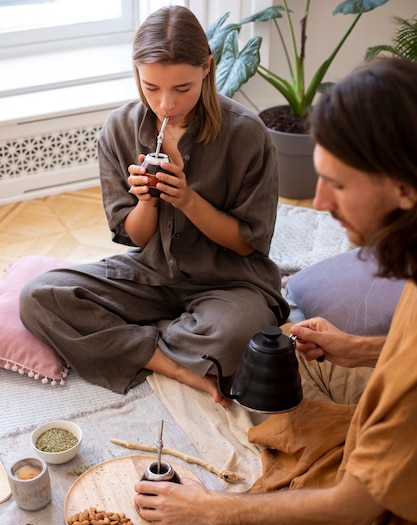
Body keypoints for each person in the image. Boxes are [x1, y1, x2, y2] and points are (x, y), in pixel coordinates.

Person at [134, 57, 417, 525]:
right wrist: (361, 349)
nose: (320, 205)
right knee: (283, 344)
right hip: (166, 285)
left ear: (404, 188)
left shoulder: (240, 133)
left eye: (336, 184)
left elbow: (360, 510)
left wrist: (209, 507)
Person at [19, 6, 289, 399]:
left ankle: (137, 341)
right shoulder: (119, 130)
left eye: (182, 88)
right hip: (151, 273)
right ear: (136, 75)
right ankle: (176, 365)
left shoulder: (248, 135)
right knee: (38, 298)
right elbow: (136, 238)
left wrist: (186, 199)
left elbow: (246, 244)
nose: (166, 105)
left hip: (230, 282)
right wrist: (146, 201)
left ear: (207, 68)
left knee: (236, 336)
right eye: (151, 88)